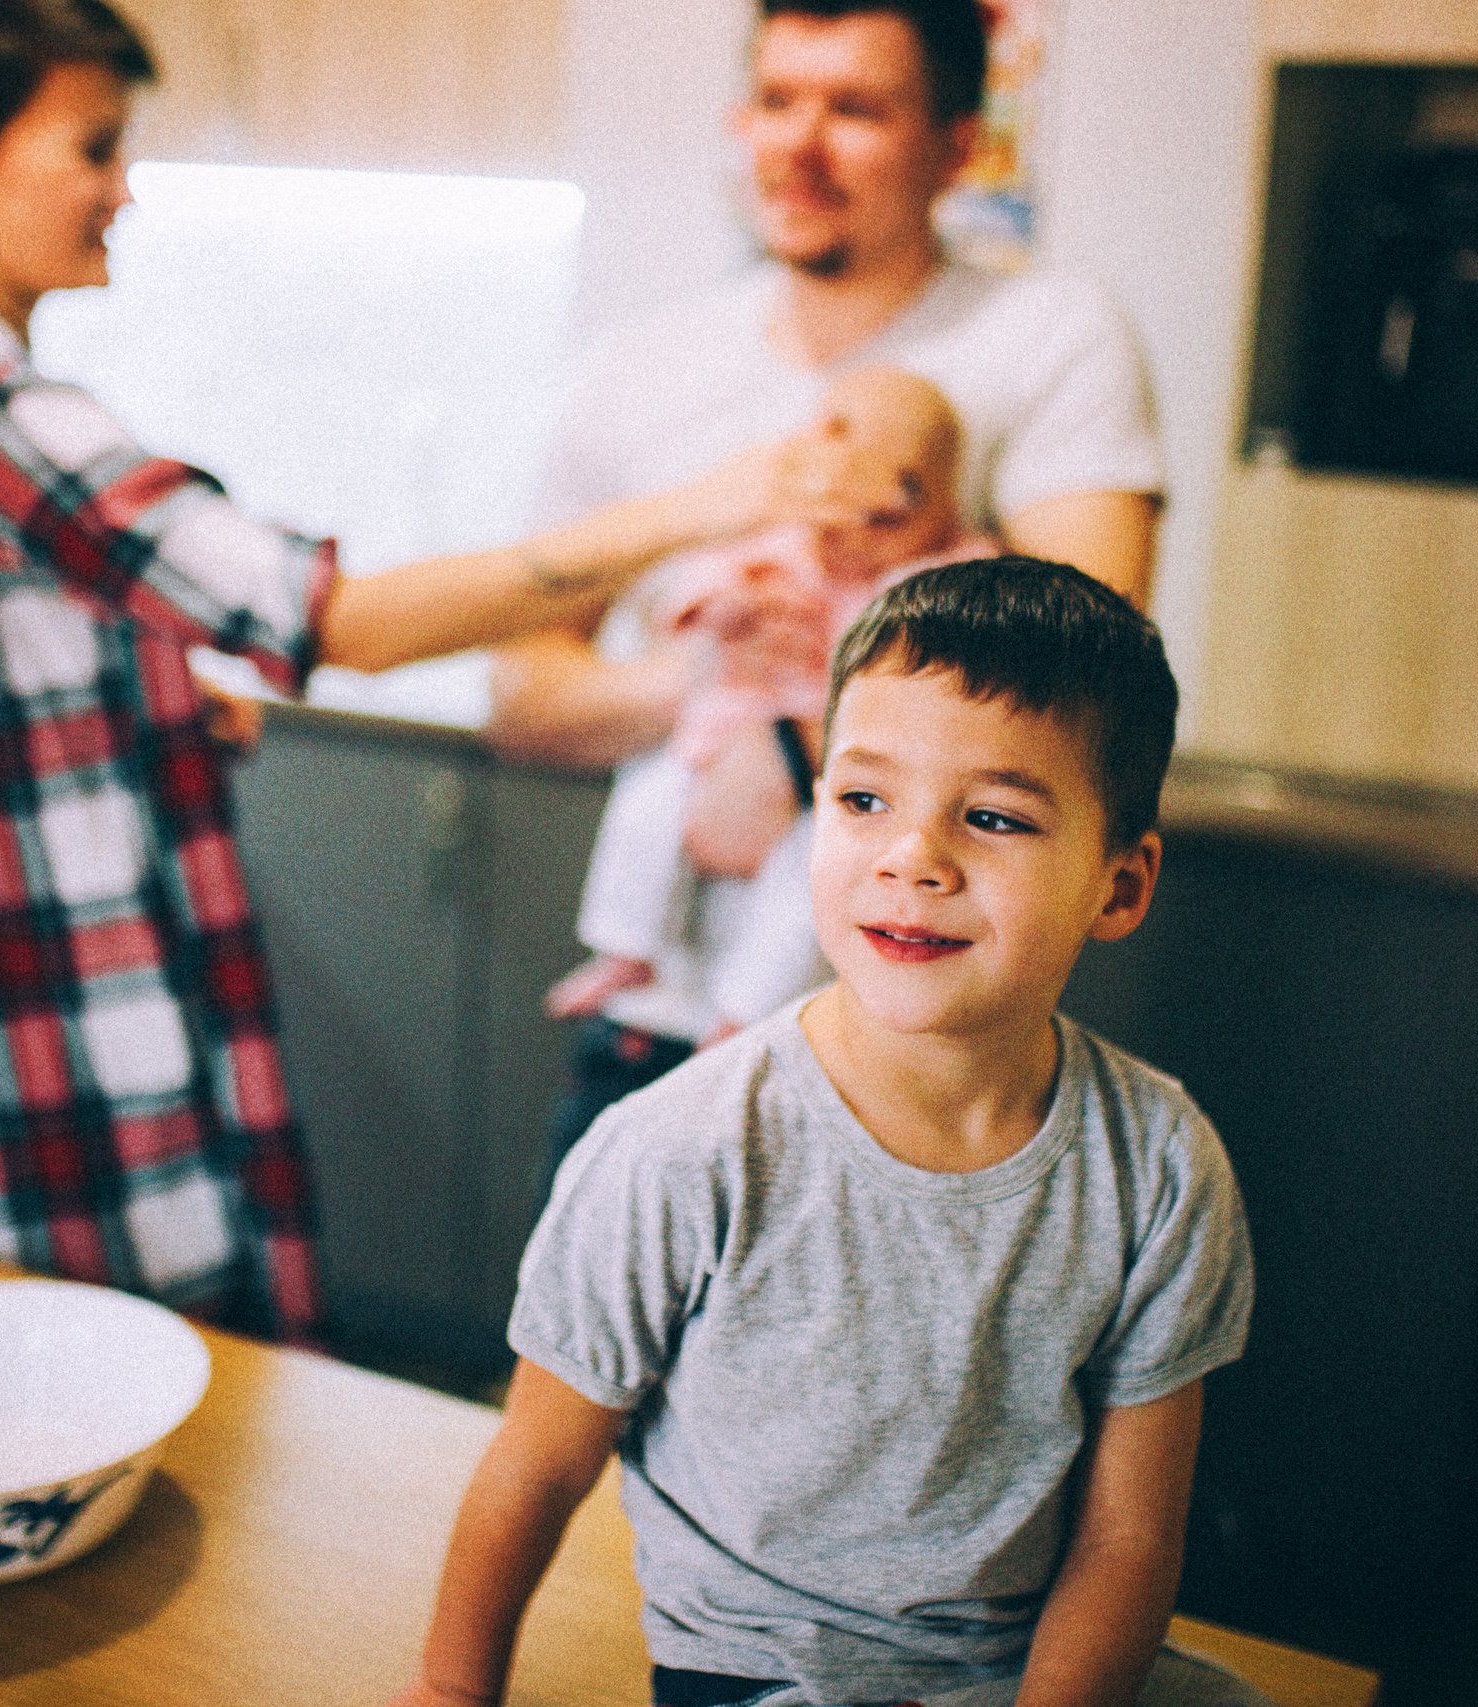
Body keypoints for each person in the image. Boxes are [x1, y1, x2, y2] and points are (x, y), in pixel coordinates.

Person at [0, 0, 856, 1343]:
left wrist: (152, 699)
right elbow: (342, 623)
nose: (123, 188)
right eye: (92, 147)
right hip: (53, 1026)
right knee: (132, 1374)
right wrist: (707, 502)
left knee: (68, 1375)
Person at [392, 558, 1265, 1707]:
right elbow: (536, 1465)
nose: (913, 857)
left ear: (1119, 885)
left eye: (993, 817)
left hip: (1027, 1669)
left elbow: (1128, 1540)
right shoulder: (683, 1147)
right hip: (764, 1678)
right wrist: (453, 1693)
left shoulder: (1158, 1164)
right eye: (861, 801)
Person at [496, 0, 1168, 1164]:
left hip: (916, 1052)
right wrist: (711, 692)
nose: (799, 146)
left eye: (856, 109)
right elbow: (524, 700)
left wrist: (794, 751)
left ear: (959, 144)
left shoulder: (1049, 336)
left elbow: (1078, 687)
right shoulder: (641, 364)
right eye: (777, 100)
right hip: (649, 1037)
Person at [545, 366, 993, 1048]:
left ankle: (741, 1016)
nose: (858, 535)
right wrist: (722, 610)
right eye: (844, 508)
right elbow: (690, 596)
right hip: (715, 738)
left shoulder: (943, 575)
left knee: (811, 888)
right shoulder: (776, 542)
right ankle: (625, 948)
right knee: (642, 808)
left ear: (943, 509)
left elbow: (971, 664)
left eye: (891, 517)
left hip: (834, 787)